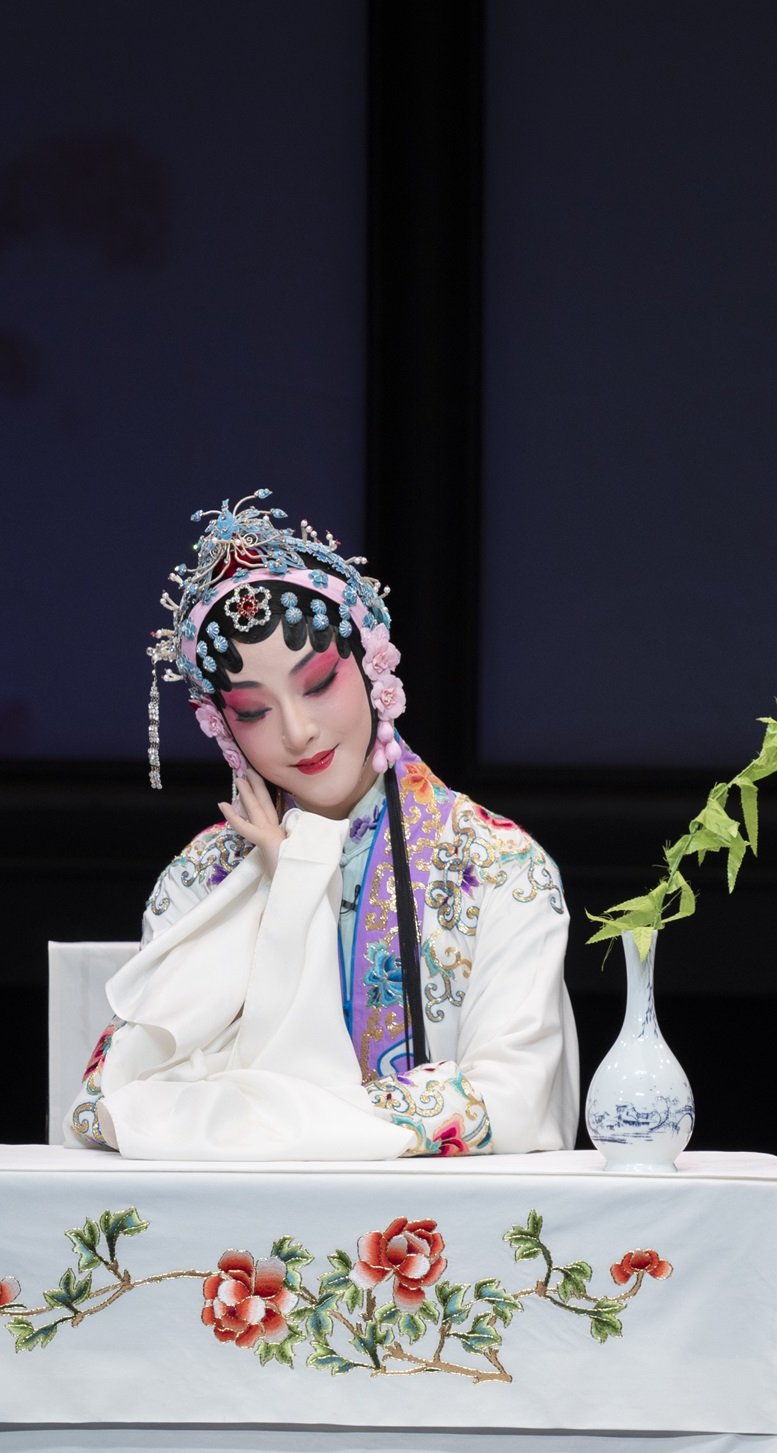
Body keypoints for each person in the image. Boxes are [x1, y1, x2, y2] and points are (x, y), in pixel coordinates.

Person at [67, 493, 579, 1159]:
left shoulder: (499, 866)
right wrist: (284, 884)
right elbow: (111, 1100)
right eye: (253, 711)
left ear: (373, 668)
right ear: (221, 727)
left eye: (316, 685)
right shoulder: (201, 879)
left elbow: (512, 1101)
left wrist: (260, 1116)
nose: (297, 731)